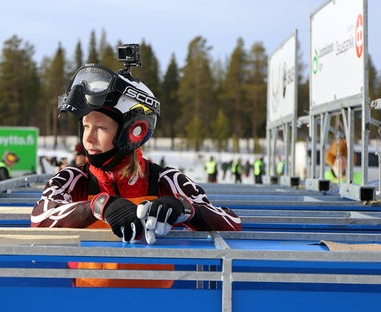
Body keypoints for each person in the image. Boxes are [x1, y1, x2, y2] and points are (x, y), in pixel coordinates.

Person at [31, 62, 241, 288]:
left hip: (155, 305)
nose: (88, 139)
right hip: (89, 303)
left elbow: (231, 221)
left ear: (132, 131)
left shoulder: (164, 178)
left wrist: (185, 209)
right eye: (86, 126)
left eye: (101, 128)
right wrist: (98, 207)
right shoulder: (73, 178)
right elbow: (40, 217)